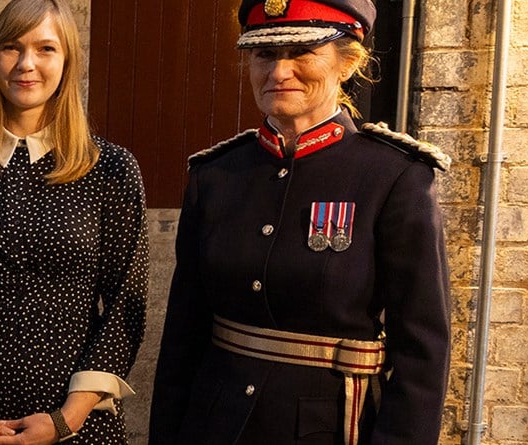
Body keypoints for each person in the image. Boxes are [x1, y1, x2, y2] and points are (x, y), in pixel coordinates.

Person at [150, 1, 450, 444]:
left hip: (330, 427)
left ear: (347, 63)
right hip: (214, 423)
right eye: (264, 54)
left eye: (302, 52)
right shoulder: (215, 176)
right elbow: (183, 335)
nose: (279, 72)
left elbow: (422, 350)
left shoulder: (394, 176)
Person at [0, 1, 148, 443]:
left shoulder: (111, 169)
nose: (27, 64)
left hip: (77, 418)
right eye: (12, 48)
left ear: (67, 61)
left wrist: (67, 418)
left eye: (45, 49)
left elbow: (127, 302)